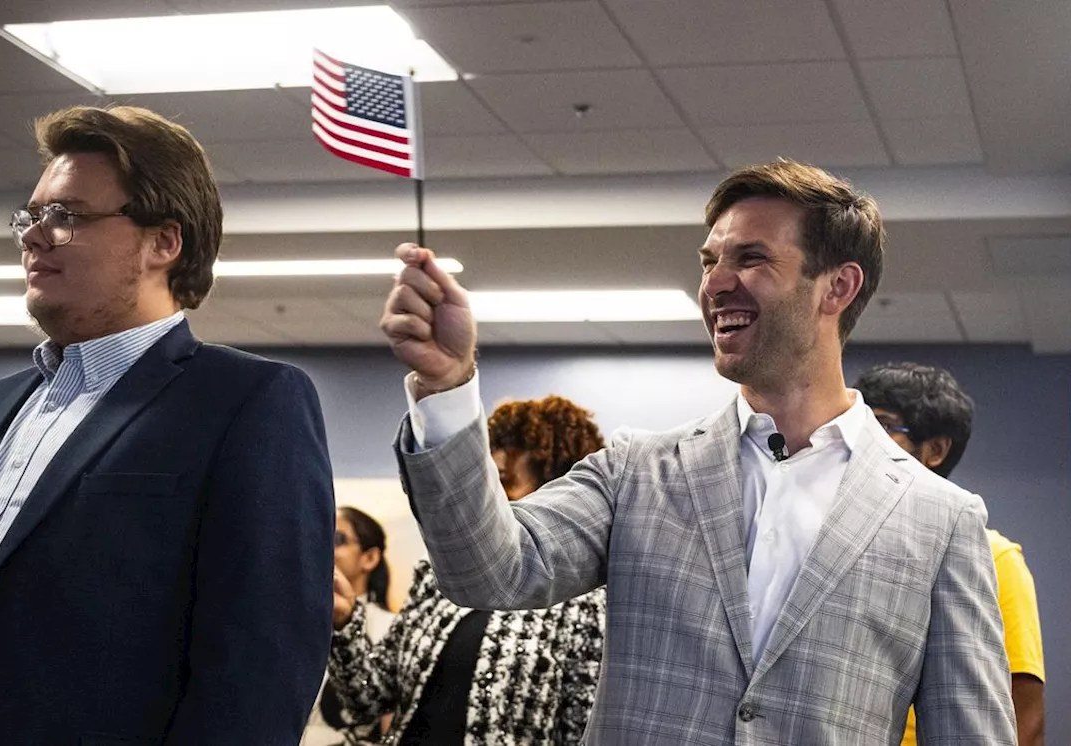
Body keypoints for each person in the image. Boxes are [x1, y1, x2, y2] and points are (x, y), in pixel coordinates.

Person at [379, 159, 1017, 743]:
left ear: (838, 287)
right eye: (709, 261)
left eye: (752, 258)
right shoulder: (637, 472)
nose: (716, 284)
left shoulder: (942, 520)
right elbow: (489, 572)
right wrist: (446, 386)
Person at [0, 105, 335, 744]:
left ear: (163, 242)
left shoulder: (248, 402)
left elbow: (260, 669)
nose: (32, 235)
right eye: (31, 215)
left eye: (67, 216)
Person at [328, 395, 607, 745]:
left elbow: (580, 731)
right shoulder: (437, 578)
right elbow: (367, 701)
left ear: (554, 490)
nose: (486, 497)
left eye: (503, 480)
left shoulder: (585, 601)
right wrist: (344, 622)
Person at [853, 361, 1046, 746]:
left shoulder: (994, 556)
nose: (865, 441)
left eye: (885, 425)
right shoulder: (847, 542)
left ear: (936, 450)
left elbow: (1024, 710)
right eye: (861, 425)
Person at [303, 507, 399, 746]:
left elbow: (392, 726)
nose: (323, 546)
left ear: (370, 558)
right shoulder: (289, 621)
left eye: (336, 539)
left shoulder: (391, 628)